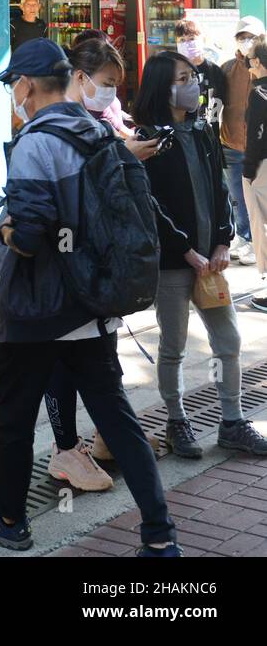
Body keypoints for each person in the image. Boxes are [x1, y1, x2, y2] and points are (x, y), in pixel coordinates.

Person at [0, 38, 181, 556]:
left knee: (13, 415)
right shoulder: (97, 131)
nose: (14, 94)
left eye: (14, 84)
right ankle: (160, 533)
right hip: (91, 305)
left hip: (38, 310)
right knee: (117, 417)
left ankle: (9, 520)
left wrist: (6, 231)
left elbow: (31, 233)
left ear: (27, 86)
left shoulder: (37, 140)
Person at [135, 51, 267, 458]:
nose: (192, 83)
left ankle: (232, 421)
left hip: (212, 262)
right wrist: (186, 250)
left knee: (228, 341)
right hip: (175, 264)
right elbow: (151, 204)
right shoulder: (147, 138)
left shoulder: (203, 130)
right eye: (182, 77)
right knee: (172, 346)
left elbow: (220, 192)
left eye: (192, 76)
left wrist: (224, 241)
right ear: (163, 85)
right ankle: (177, 423)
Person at [42, 38, 160, 489]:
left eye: (115, 85)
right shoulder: (51, 129)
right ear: (78, 77)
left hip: (100, 262)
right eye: (106, 84)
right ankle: (66, 448)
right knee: (66, 356)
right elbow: (63, 193)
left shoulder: (100, 122)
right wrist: (121, 158)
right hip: (68, 268)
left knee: (101, 354)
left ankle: (107, 438)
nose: (111, 94)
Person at [220, 16, 264, 265]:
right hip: (232, 143)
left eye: (253, 37)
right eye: (243, 37)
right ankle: (245, 238)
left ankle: (258, 242)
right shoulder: (226, 68)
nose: (248, 42)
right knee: (237, 196)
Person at [241, 36, 267, 311]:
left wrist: (248, 169)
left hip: (263, 168)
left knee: (263, 226)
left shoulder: (259, 92)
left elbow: (257, 137)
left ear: (257, 61)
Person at [174, 18, 228, 142]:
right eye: (182, 40)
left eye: (192, 39)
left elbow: (222, 103)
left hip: (210, 136)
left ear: (202, 39)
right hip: (182, 138)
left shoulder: (215, 70)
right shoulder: (172, 71)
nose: (187, 43)